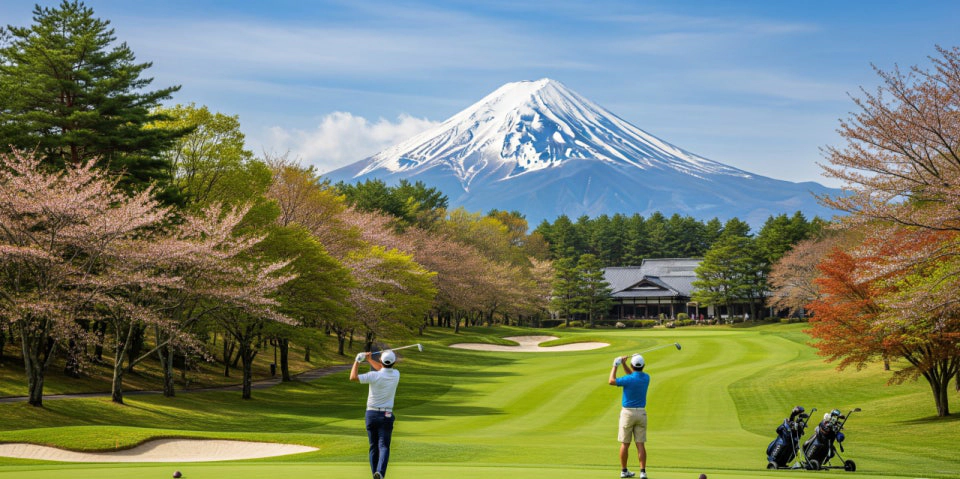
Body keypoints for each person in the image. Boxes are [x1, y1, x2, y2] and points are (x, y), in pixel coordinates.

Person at [350, 349, 401, 479]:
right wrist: (369, 359)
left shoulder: (374, 375)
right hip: (386, 414)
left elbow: (353, 377)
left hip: (371, 414)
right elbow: (383, 368)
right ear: (394, 362)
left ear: (380, 361)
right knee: (383, 446)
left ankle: (375, 475)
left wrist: (357, 360)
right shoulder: (396, 374)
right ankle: (380, 473)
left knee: (373, 446)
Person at [609, 354, 650, 479]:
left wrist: (615, 365)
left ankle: (624, 471)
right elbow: (632, 375)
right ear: (643, 366)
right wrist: (625, 364)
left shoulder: (629, 379)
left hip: (627, 414)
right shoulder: (646, 377)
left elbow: (611, 381)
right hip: (641, 413)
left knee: (625, 444)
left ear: (632, 365)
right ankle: (642, 472)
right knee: (640, 444)